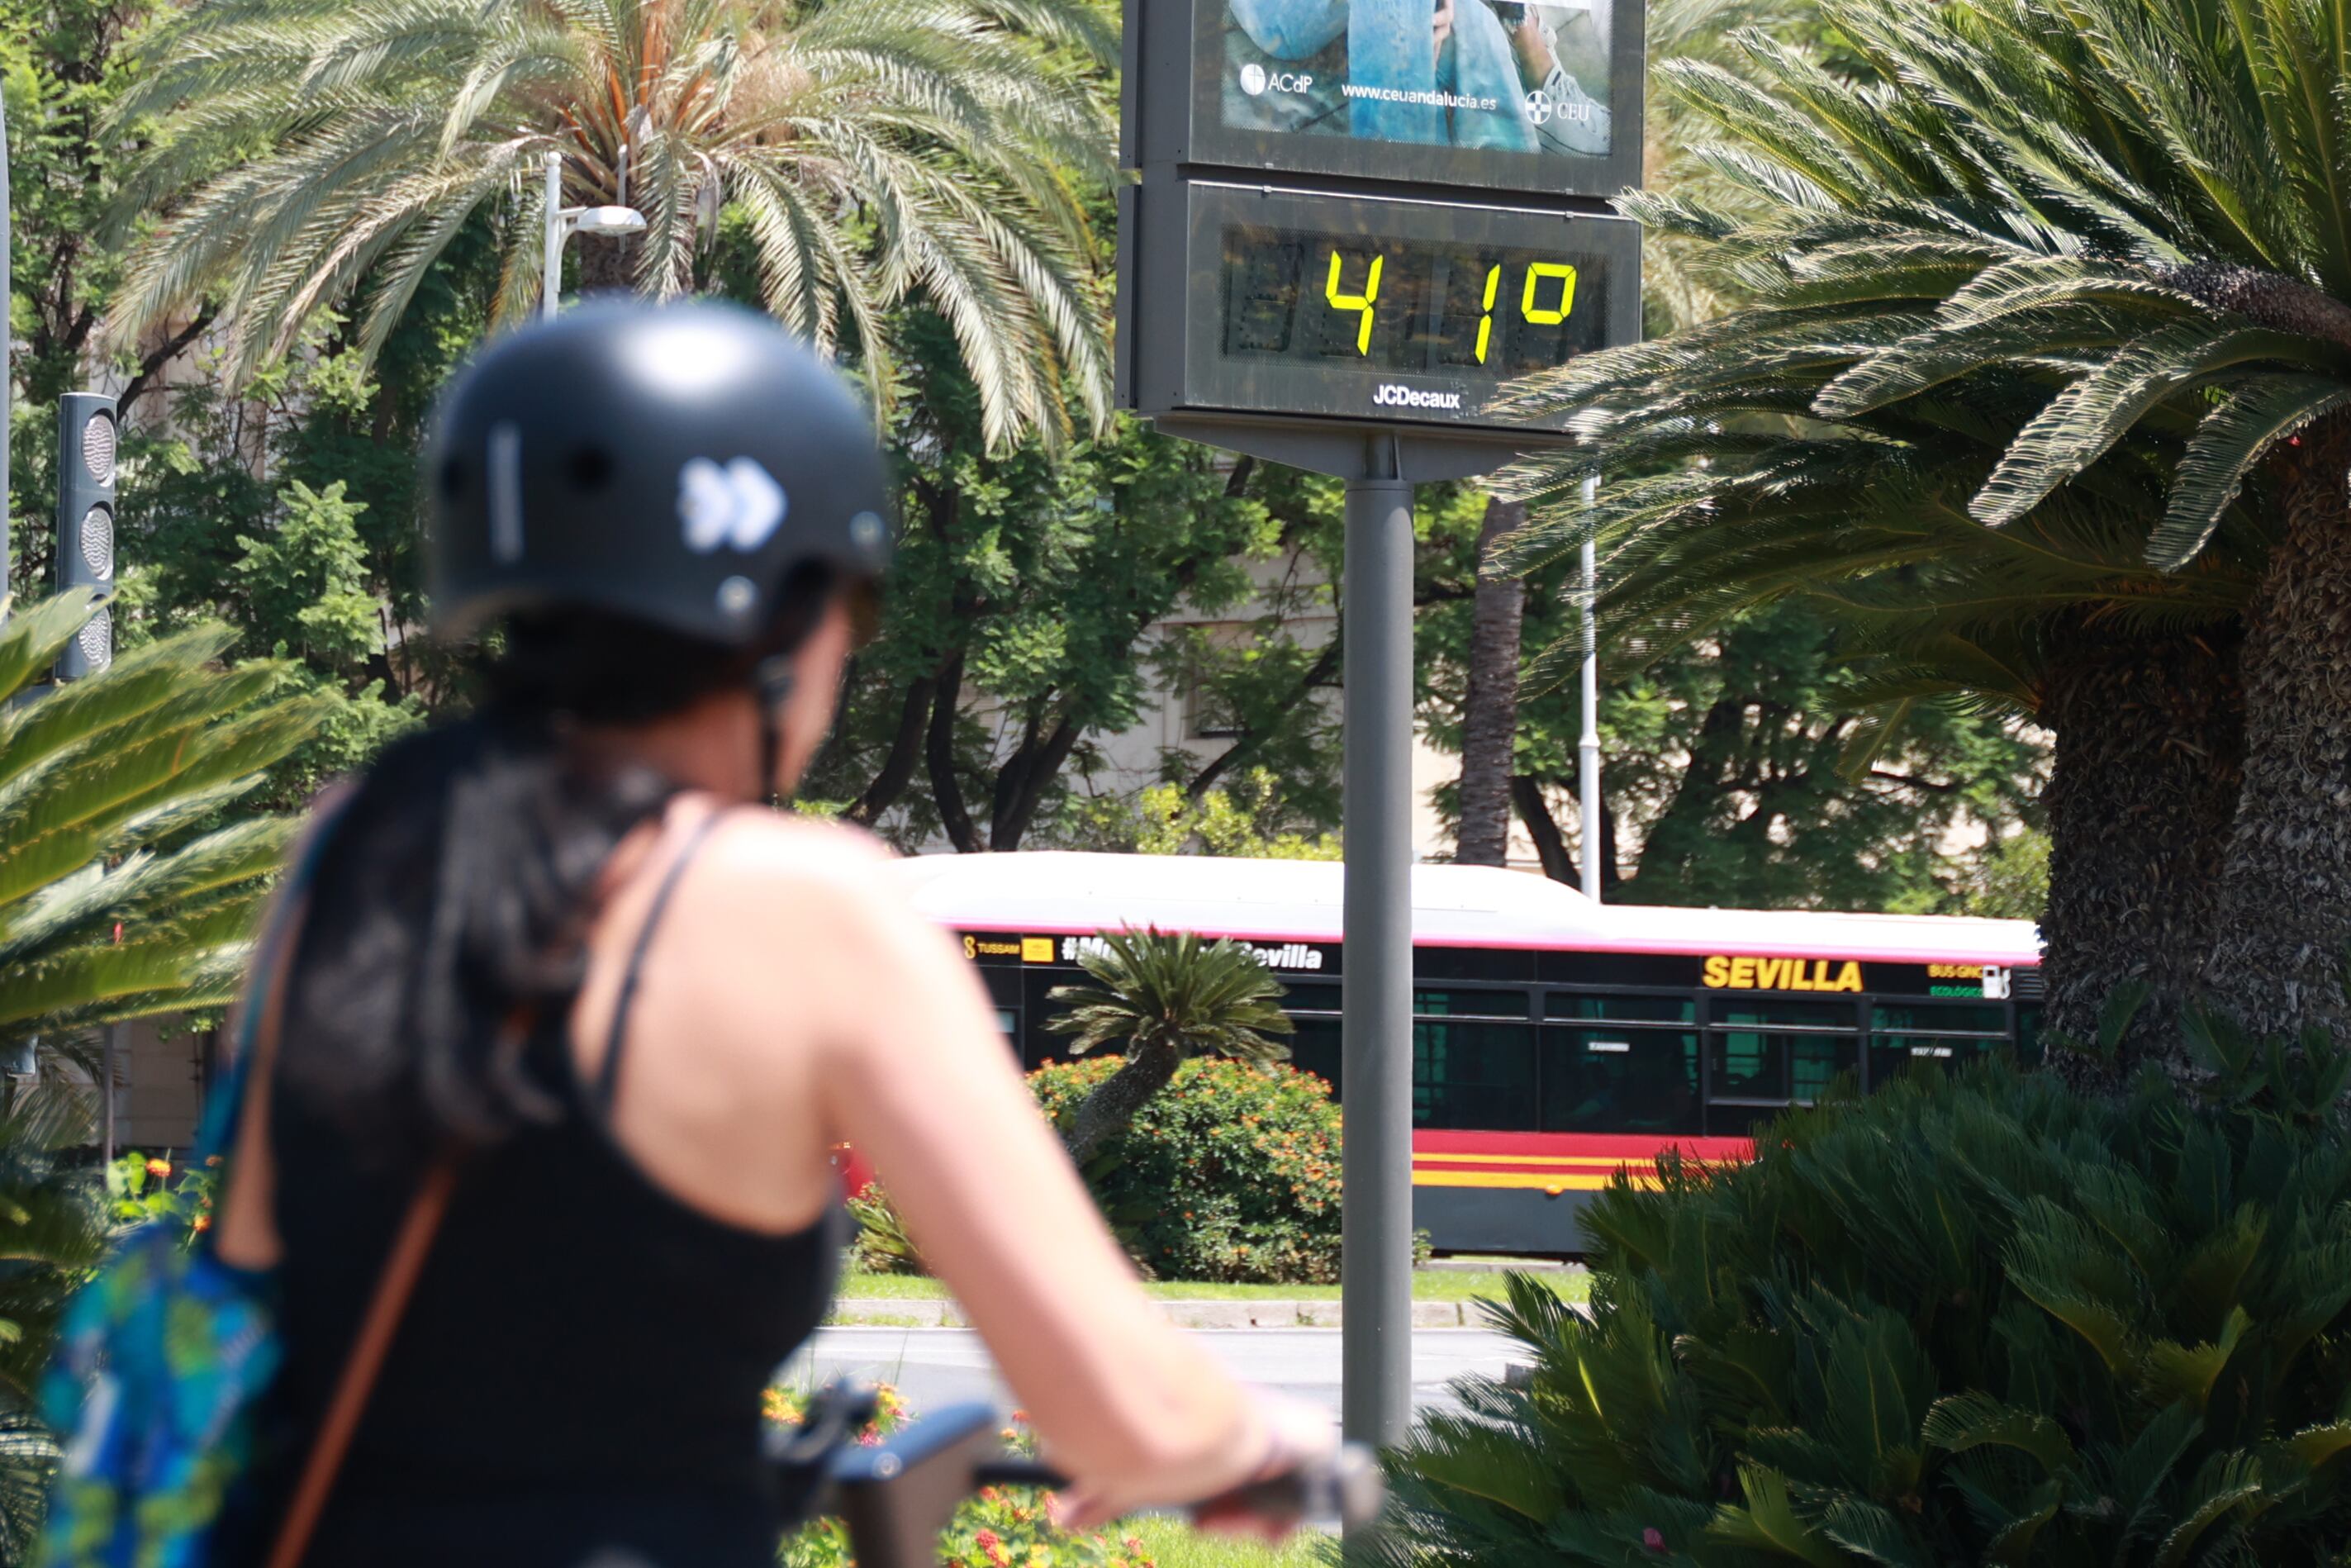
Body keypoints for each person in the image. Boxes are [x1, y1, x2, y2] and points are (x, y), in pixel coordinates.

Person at [210, 298, 1333, 1568]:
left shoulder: (349, 848)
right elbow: (1117, 1405)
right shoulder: (812, 904)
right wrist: (1254, 1445)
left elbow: (252, 1254)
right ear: (785, 614)